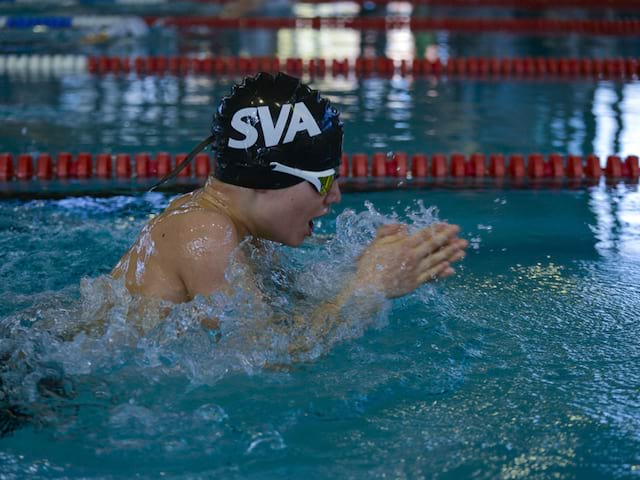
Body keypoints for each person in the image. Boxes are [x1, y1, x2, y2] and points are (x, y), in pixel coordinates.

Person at [111, 72, 468, 345]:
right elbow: (265, 358)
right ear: (273, 178)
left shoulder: (244, 231)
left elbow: (285, 315)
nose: (335, 197)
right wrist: (367, 289)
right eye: (324, 180)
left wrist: (363, 270)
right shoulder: (203, 233)